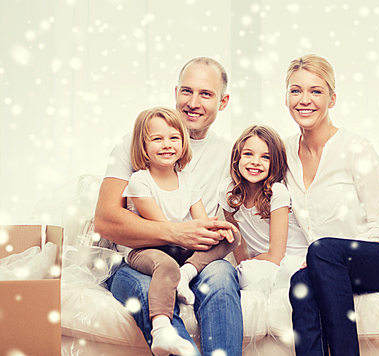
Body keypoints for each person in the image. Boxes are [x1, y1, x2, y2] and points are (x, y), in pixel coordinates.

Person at [283, 54, 379, 356]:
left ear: (332, 98)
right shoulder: (285, 152)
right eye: (296, 90)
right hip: (332, 261)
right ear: (286, 97)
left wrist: (328, 259)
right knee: (301, 283)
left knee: (322, 250)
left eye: (316, 91)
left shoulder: (356, 148)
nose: (305, 99)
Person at [94, 57, 243, 356]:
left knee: (222, 278)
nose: (193, 102)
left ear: (223, 101)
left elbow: (236, 214)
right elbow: (105, 220)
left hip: (192, 260)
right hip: (135, 260)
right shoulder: (134, 144)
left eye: (206, 94)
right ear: (175, 92)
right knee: (150, 285)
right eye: (187, 91)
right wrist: (177, 233)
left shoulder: (229, 153)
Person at [120, 106, 239, 355]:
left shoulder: (189, 179)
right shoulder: (140, 180)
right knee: (166, 265)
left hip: (179, 247)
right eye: (157, 139)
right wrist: (193, 235)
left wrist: (217, 230)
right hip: (148, 249)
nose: (167, 145)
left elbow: (201, 220)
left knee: (232, 236)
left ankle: (188, 272)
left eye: (174, 138)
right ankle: (162, 329)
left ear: (184, 144)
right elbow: (164, 228)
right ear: (143, 147)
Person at [218, 125, 308, 291]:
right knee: (243, 275)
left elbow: (276, 255)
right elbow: (237, 242)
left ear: (275, 162)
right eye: (248, 154)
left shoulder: (277, 192)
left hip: (291, 259)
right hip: (262, 262)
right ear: (237, 157)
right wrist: (244, 266)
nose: (255, 162)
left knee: (286, 272)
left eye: (265, 157)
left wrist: (248, 265)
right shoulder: (228, 191)